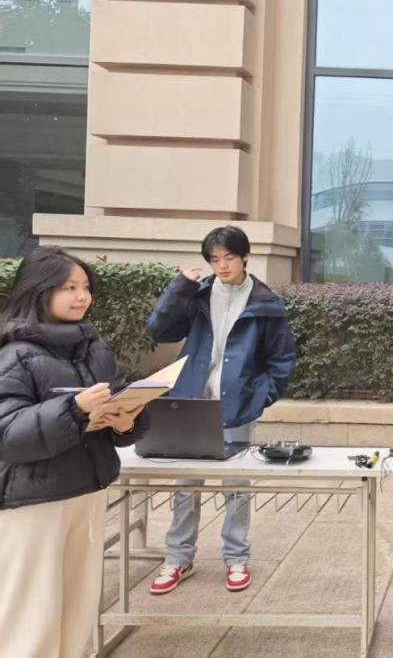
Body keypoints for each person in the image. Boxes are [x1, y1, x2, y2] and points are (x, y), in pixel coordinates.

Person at [0, 246, 149, 656]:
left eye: (85, 287)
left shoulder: (93, 348)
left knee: (78, 614)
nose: (82, 296)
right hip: (34, 504)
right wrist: (75, 407)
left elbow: (121, 407)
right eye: (69, 288)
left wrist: (126, 420)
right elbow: (8, 434)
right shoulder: (13, 353)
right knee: (30, 619)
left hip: (87, 493)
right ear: (38, 290)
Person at [145, 225, 296, 595]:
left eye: (229, 257)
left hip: (237, 404)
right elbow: (159, 331)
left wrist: (259, 397)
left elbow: (282, 360)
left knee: (236, 486)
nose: (222, 265)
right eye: (215, 259)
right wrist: (179, 288)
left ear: (245, 256)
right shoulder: (196, 294)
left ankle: (236, 557)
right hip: (191, 398)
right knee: (186, 484)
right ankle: (178, 557)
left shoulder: (266, 302)